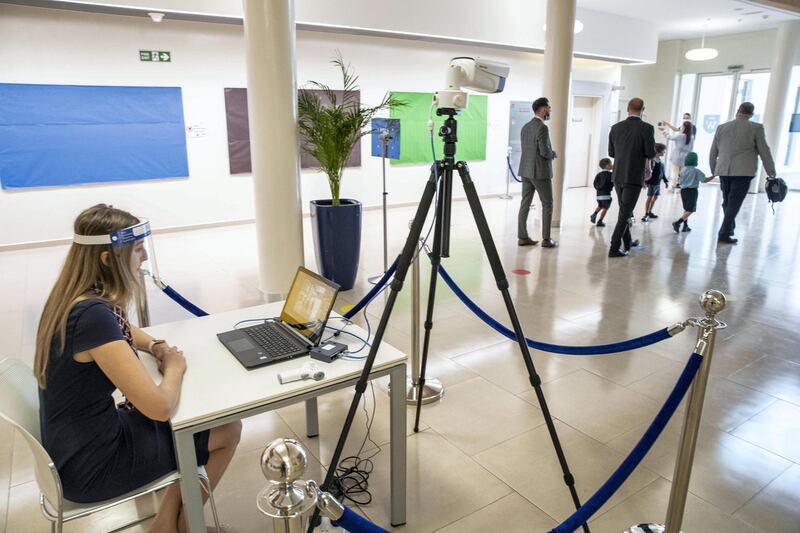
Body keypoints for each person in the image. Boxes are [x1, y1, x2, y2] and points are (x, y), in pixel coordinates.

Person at [34, 204, 241, 533]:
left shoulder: (72, 300)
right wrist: (174, 366)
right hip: (93, 468)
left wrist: (154, 345)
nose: (143, 257)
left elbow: (122, 329)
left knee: (186, 431)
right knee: (226, 430)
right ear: (108, 259)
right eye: (137, 249)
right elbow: (158, 407)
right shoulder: (93, 317)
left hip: (74, 448)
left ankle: (165, 526)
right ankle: (187, 528)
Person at [710, 102, 777, 244]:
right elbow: (764, 151)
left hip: (724, 170)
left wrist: (713, 169)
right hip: (743, 171)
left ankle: (729, 227)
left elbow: (713, 151)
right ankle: (724, 232)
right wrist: (771, 171)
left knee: (727, 201)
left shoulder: (722, 127)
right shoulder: (756, 128)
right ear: (751, 114)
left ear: (738, 111)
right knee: (734, 202)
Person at [607, 97, 657, 258]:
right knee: (625, 212)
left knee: (624, 210)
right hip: (634, 176)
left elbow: (611, 153)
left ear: (628, 109)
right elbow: (650, 153)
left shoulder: (615, 128)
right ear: (643, 110)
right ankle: (614, 247)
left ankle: (627, 242)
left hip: (617, 175)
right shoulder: (647, 128)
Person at [517, 96, 558, 248]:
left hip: (525, 171)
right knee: (547, 204)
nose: (550, 110)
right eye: (548, 107)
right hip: (540, 172)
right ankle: (546, 239)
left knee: (525, 204)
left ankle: (522, 237)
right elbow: (544, 152)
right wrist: (553, 153)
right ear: (542, 109)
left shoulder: (525, 126)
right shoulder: (542, 128)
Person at [672, 152, 713, 233]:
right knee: (691, 210)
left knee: (686, 209)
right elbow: (704, 180)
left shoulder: (682, 170)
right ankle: (678, 223)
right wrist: (714, 176)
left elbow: (679, 181)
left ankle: (685, 226)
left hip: (683, 191)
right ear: (695, 161)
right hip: (692, 191)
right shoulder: (695, 171)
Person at [659, 120, 694, 189]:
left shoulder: (680, 136)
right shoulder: (692, 137)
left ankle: (673, 186)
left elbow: (669, 137)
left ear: (684, 128)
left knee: (675, 172)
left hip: (677, 156)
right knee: (682, 173)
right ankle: (681, 185)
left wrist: (664, 131)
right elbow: (691, 148)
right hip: (686, 157)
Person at [642, 143, 667, 222]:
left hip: (658, 184)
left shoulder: (660, 161)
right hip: (652, 183)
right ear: (658, 151)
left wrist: (665, 181)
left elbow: (662, 172)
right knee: (650, 197)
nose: (664, 152)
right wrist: (646, 181)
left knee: (655, 197)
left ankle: (649, 212)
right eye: (663, 151)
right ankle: (646, 214)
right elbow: (648, 172)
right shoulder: (652, 161)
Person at [590, 158, 614, 227]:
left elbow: (594, 183)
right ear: (607, 166)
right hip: (606, 195)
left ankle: (594, 214)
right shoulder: (610, 174)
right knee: (605, 208)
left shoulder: (599, 174)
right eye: (610, 164)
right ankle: (600, 221)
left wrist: (598, 189)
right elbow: (613, 183)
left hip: (598, 195)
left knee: (600, 205)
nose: (612, 165)